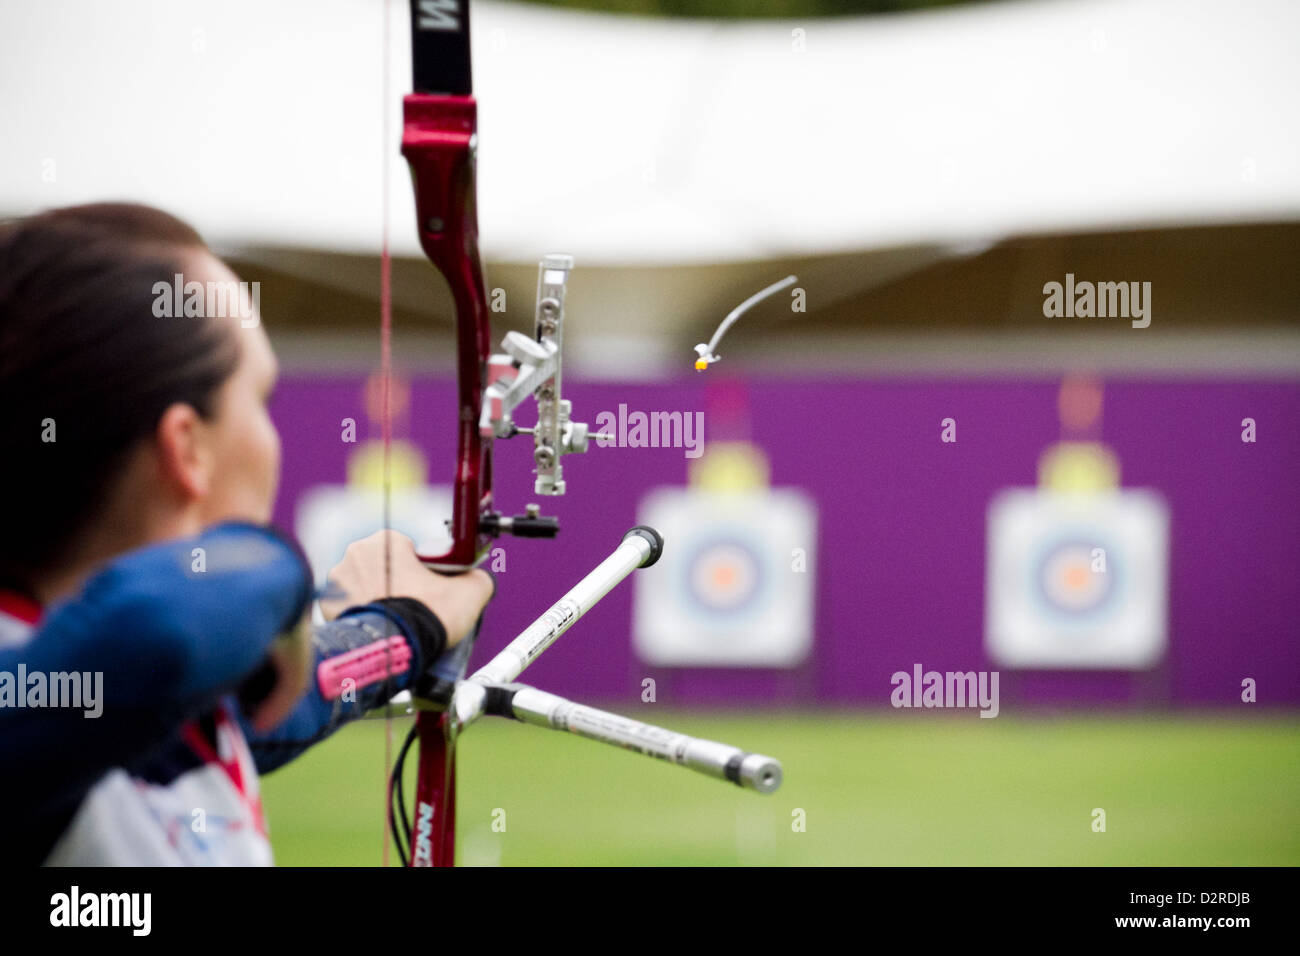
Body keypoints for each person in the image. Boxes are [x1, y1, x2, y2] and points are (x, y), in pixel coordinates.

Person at [0, 203, 493, 864]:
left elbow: (285, 703)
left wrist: (401, 625)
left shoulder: (129, 701)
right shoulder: (52, 694)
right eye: (259, 398)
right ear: (188, 448)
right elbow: (159, 629)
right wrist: (280, 576)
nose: (271, 435)